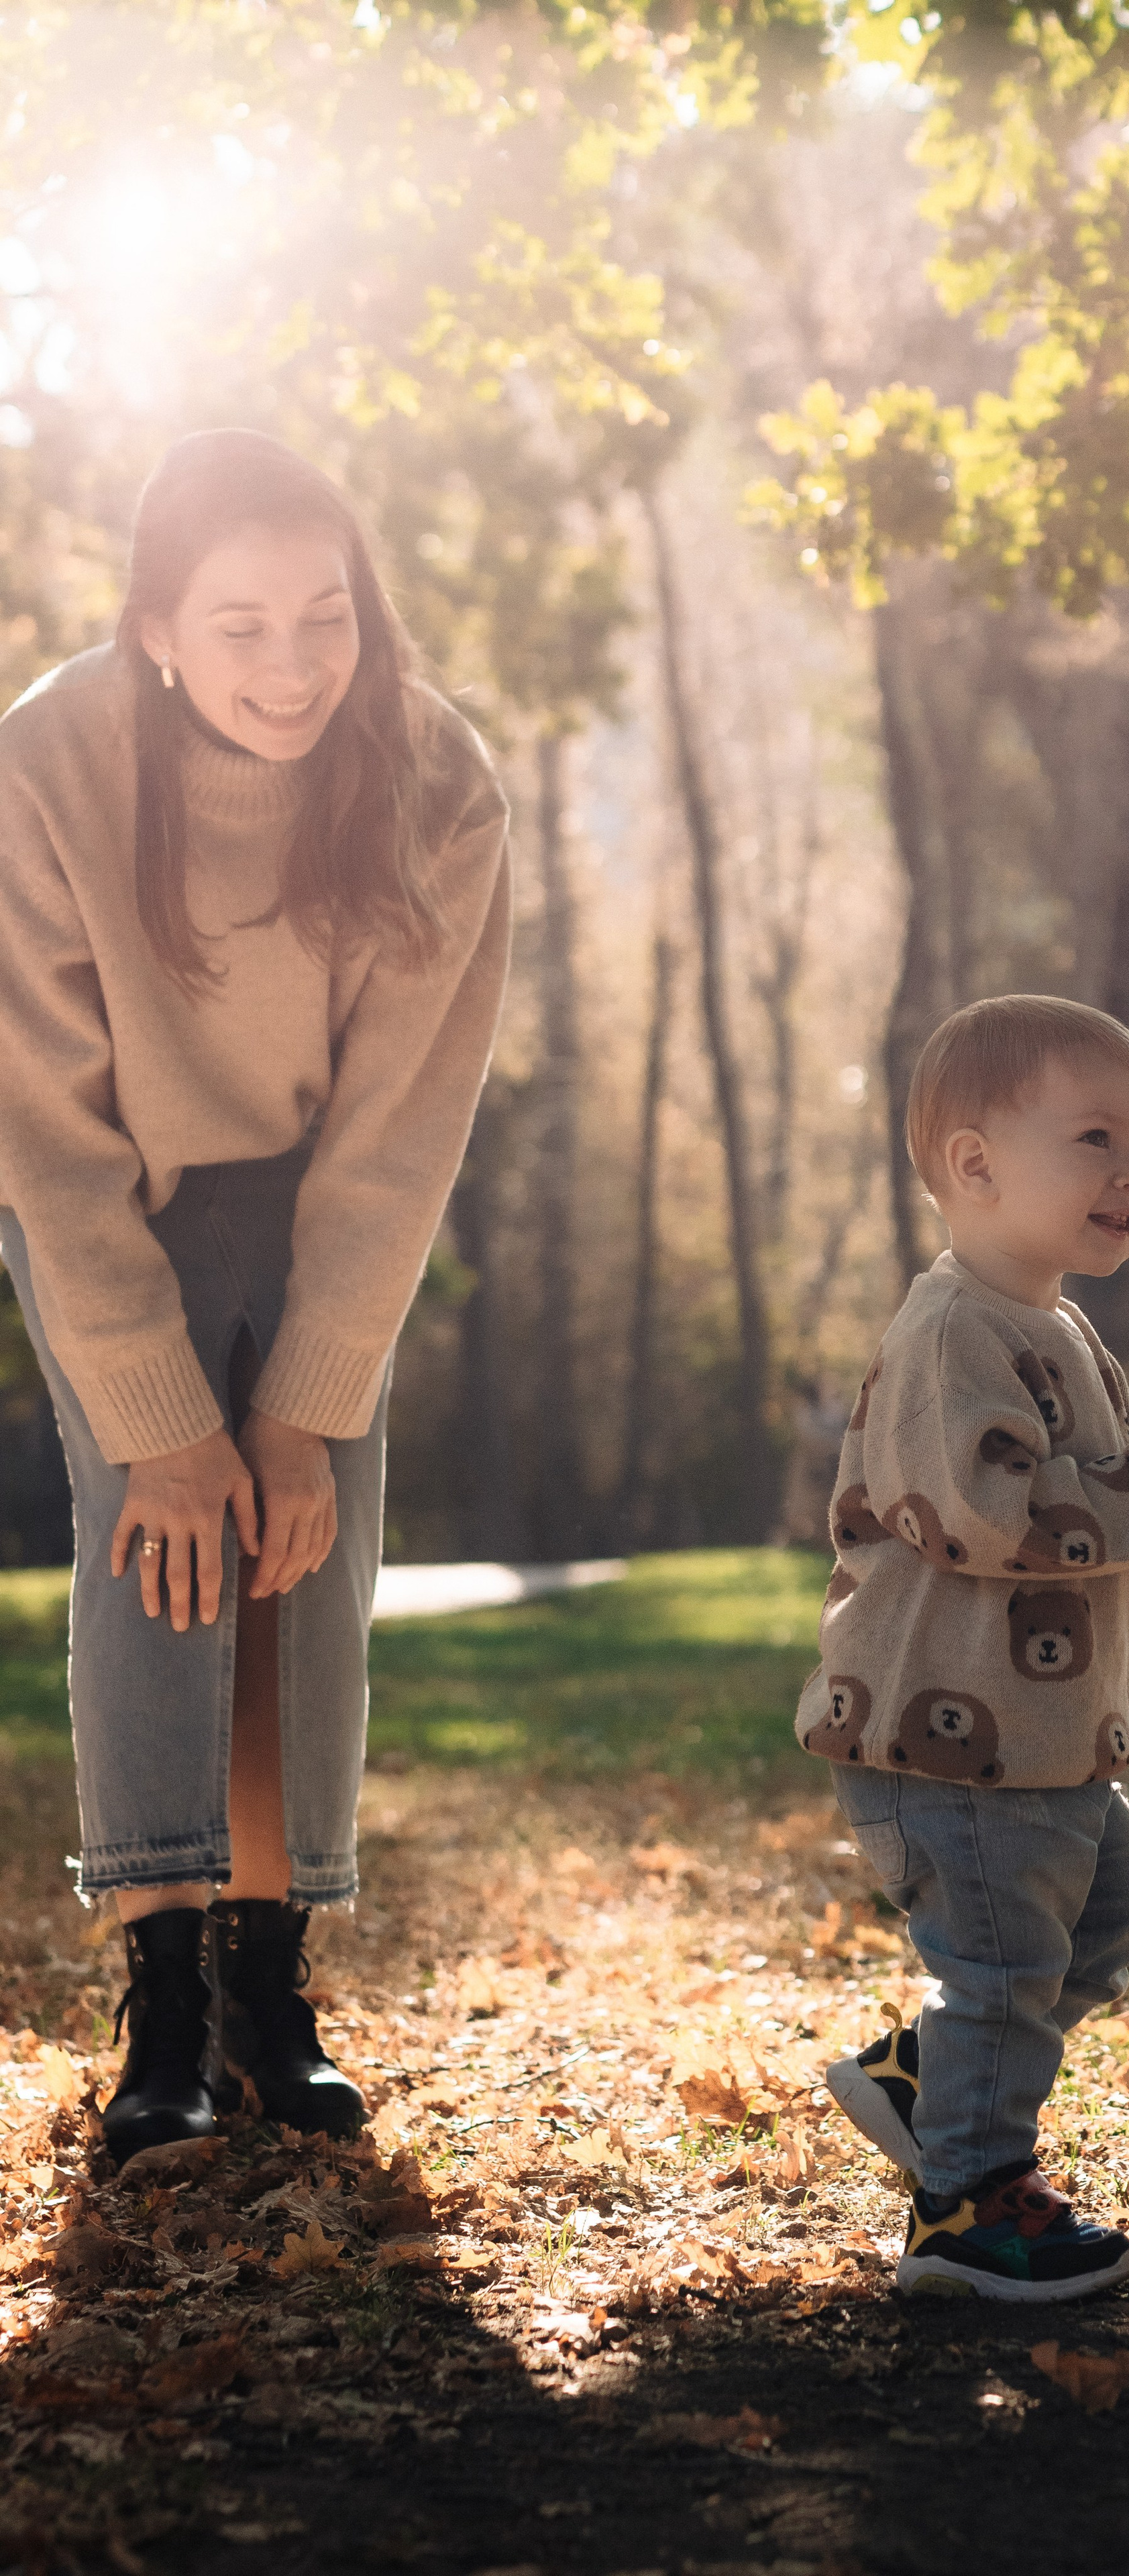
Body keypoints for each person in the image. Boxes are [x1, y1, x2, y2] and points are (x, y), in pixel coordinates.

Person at [0, 430, 511, 2165]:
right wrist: (162, 1425)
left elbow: (398, 1134)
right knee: (160, 1553)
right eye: (238, 627)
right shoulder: (47, 766)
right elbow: (45, 1139)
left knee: (304, 1557)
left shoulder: (435, 783)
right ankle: (161, 2004)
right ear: (153, 624)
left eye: (324, 617)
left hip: (322, 1194)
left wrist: (299, 1412)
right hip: (108, 1192)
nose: (291, 668)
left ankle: (268, 1994)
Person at [798, 994, 1129, 2302]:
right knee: (1002, 1970)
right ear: (974, 1165)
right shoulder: (951, 1332)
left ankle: (927, 2079)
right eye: (1098, 1141)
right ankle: (966, 2206)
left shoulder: (1054, 1325)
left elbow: (1092, 1516)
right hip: (952, 1739)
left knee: (1116, 1911)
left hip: (1038, 1737)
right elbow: (984, 1516)